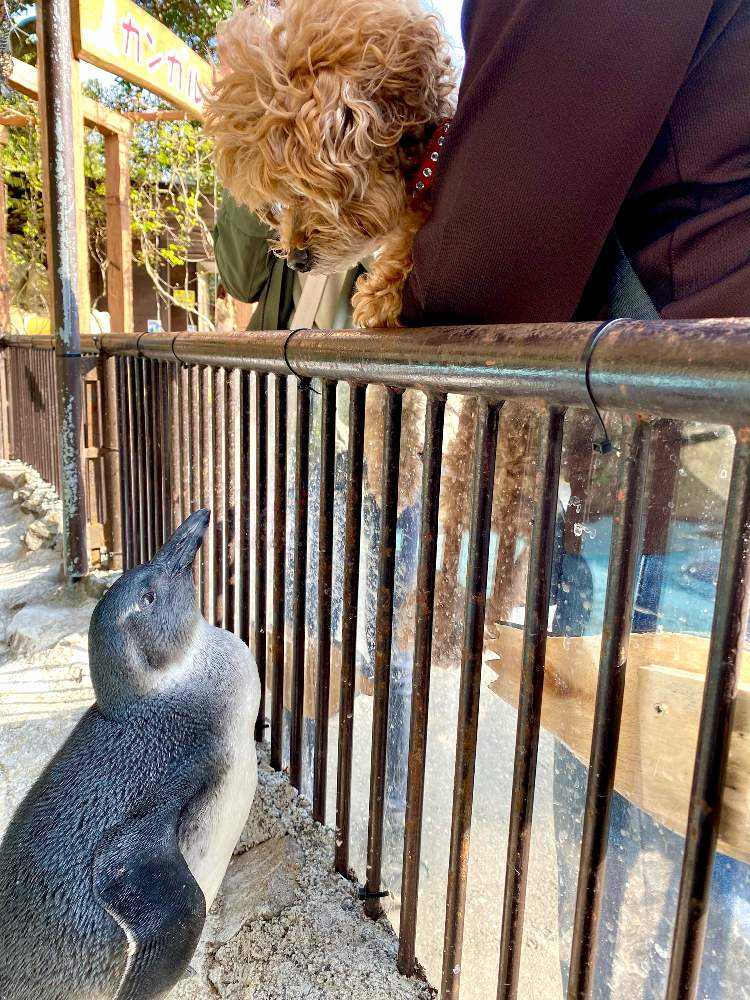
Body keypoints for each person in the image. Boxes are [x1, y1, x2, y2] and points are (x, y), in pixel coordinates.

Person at [399, 0, 750, 996]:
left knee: (643, 869)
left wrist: (411, 268)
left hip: (678, 461)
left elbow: (488, 261)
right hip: (692, 446)